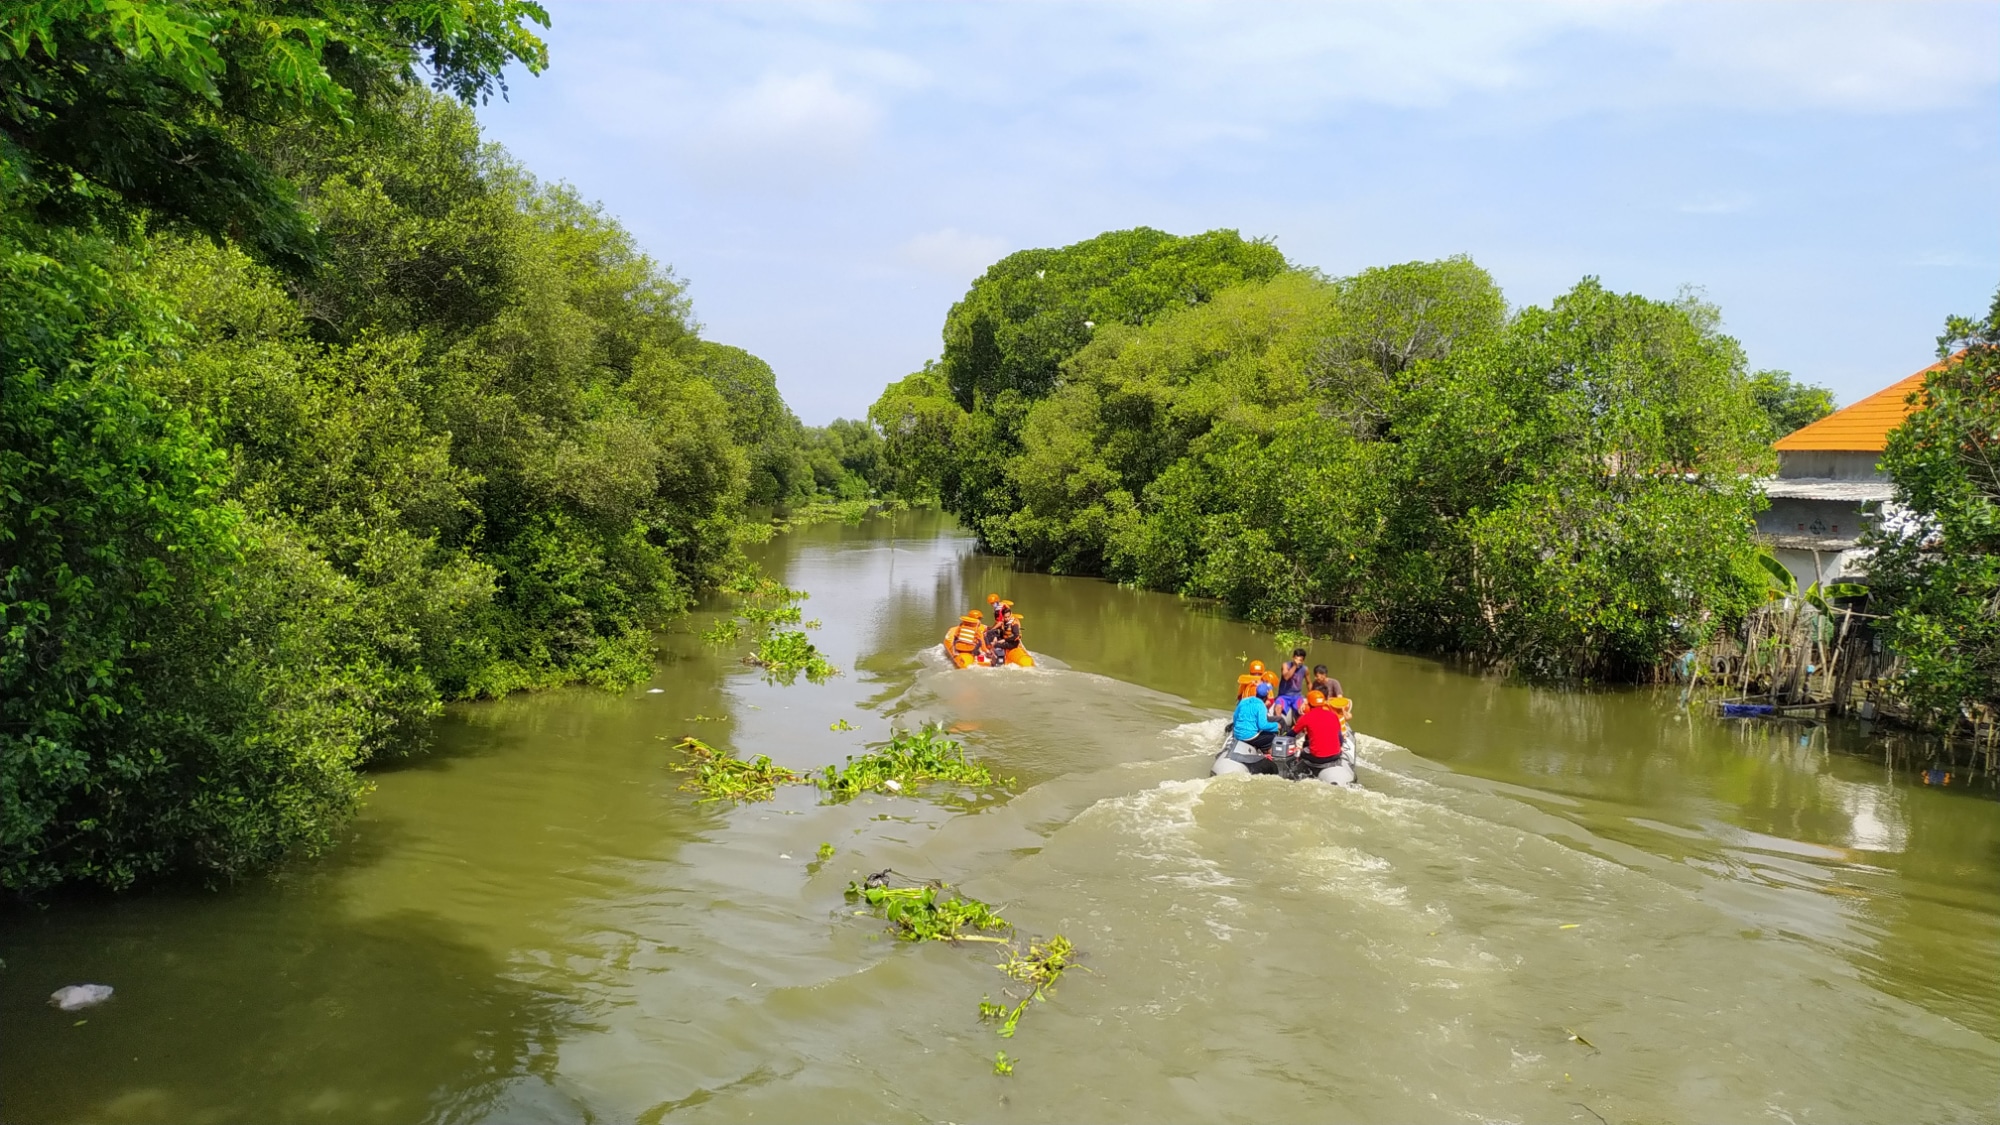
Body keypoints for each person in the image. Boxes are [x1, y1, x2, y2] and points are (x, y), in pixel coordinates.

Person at [1293, 690, 1346, 767]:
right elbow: (1339, 736)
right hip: (1336, 755)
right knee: (1307, 743)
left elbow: (1293, 733)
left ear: (1309, 704)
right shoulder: (1333, 716)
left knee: (1302, 752)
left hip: (1317, 758)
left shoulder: (1306, 717)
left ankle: (1301, 769)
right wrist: (1340, 747)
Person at [1232, 682, 1281, 752]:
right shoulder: (1261, 706)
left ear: (1256, 692)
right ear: (1267, 695)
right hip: (1249, 737)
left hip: (1237, 734)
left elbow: (1235, 717)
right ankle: (1268, 754)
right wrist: (1276, 725)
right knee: (1271, 737)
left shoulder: (1243, 701)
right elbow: (1262, 725)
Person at [1277, 648, 1310, 715]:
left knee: (1303, 709)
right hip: (1284, 695)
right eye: (1296, 659)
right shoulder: (1285, 665)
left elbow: (1309, 683)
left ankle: (1298, 724)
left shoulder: (1305, 669)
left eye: (1300, 660)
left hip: (1297, 696)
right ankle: (1279, 724)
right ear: (1293, 657)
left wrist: (1310, 696)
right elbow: (1286, 677)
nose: (1297, 662)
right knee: (1278, 707)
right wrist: (1295, 665)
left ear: (1303, 661)